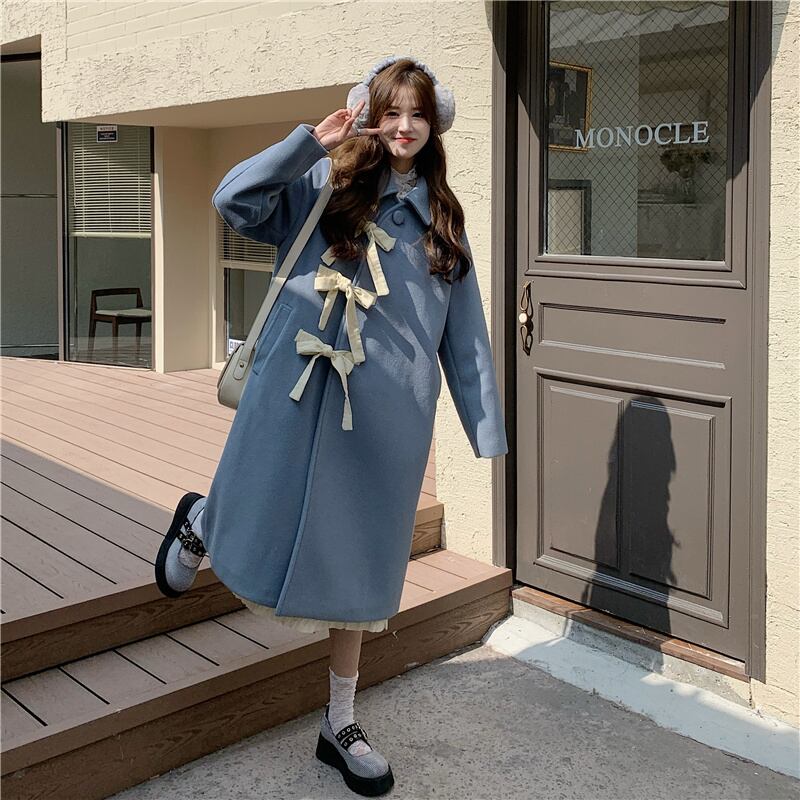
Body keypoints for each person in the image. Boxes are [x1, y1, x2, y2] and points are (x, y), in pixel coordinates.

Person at [155, 55, 508, 797]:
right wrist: (308, 145)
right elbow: (233, 199)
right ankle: (201, 524)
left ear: (433, 125)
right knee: (255, 495)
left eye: (417, 113)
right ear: (371, 117)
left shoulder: (444, 220)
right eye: (391, 111)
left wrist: (484, 426)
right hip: (293, 384)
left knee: (361, 571)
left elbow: (467, 335)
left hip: (384, 419)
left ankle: (340, 722)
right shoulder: (325, 183)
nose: (403, 126)